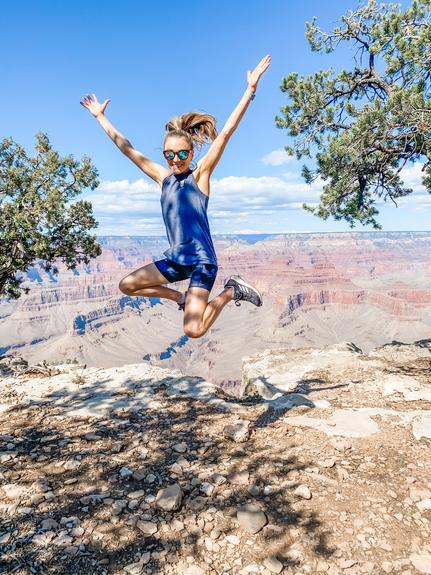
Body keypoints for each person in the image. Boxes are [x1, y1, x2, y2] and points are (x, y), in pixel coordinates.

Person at [80, 55, 271, 339]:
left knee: (194, 329)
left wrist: (250, 91)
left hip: (202, 262)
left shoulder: (201, 175)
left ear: (192, 153)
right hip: (177, 260)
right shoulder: (163, 178)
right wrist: (101, 118)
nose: (176, 159)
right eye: (170, 154)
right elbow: (127, 149)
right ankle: (178, 298)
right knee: (127, 285)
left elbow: (227, 132)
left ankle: (232, 290)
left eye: (182, 154)